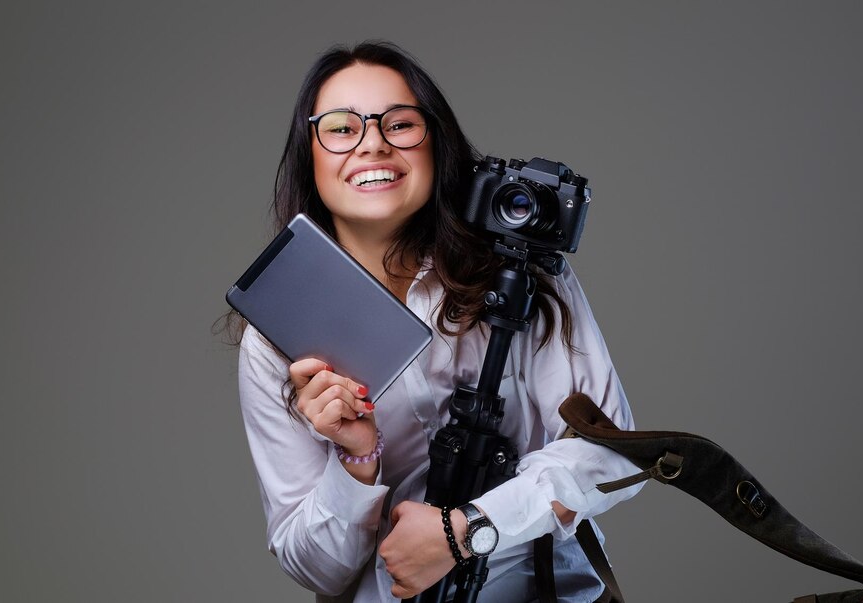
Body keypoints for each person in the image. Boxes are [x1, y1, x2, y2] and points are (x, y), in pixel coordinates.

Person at [234, 41, 642, 602]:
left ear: (436, 144)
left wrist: (469, 530)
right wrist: (355, 461)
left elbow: (614, 453)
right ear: (311, 154)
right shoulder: (276, 339)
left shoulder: (521, 269)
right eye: (341, 128)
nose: (372, 143)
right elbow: (317, 572)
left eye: (399, 124)